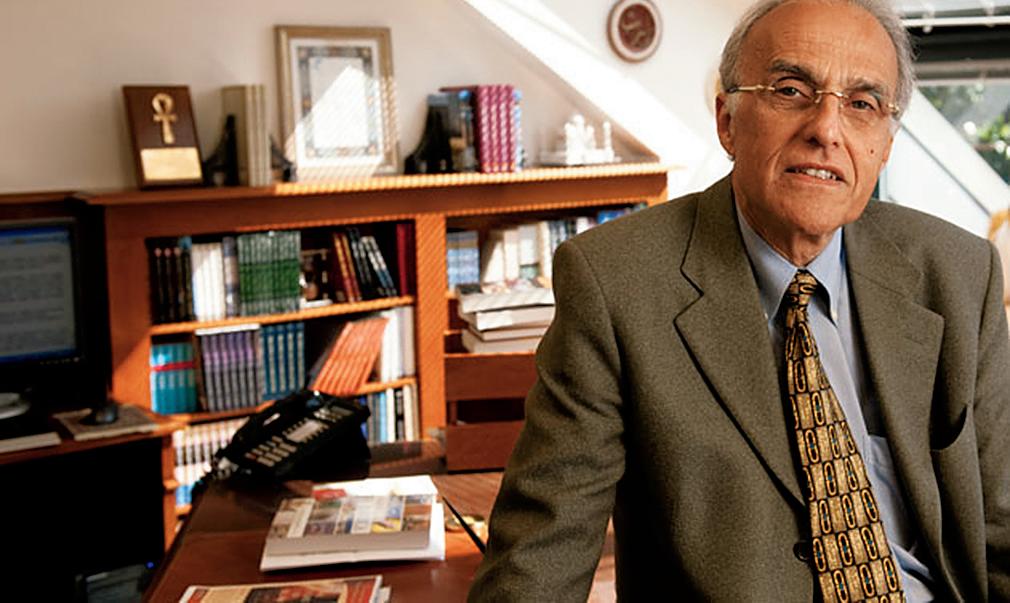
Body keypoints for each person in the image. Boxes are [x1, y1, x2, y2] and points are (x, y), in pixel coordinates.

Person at [468, 0, 1010, 601]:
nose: (826, 130)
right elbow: (540, 556)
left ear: (885, 144)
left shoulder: (958, 272)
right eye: (791, 90)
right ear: (727, 120)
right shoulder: (615, 282)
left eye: (861, 104)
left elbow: (1002, 522)